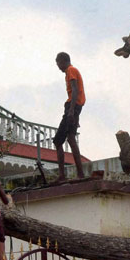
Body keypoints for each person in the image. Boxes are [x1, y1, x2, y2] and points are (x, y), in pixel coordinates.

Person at [54, 52, 86, 182]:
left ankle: (63, 176)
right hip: (75, 107)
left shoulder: (71, 70)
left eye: (58, 63)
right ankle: (80, 173)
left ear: (63, 61)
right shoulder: (70, 71)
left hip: (72, 107)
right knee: (71, 138)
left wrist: (71, 111)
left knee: (57, 141)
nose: (58, 67)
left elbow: (75, 90)